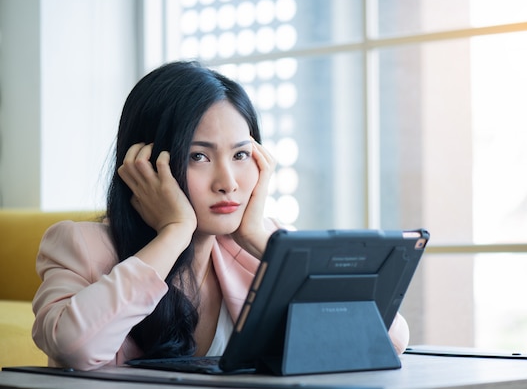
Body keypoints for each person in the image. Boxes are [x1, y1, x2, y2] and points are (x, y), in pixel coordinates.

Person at [31, 60, 410, 371]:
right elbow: (75, 350)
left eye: (241, 155)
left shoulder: (264, 244)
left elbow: (388, 340)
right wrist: (175, 232)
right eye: (199, 156)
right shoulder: (79, 245)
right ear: (146, 164)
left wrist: (267, 245)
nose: (228, 182)